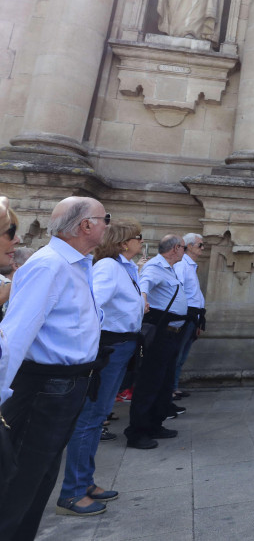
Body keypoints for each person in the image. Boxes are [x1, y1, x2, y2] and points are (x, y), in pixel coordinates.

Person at [0, 197, 108, 539]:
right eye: (104, 217)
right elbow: (15, 335)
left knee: (43, 474)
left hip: (68, 386)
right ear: (86, 226)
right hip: (45, 388)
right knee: (23, 477)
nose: (108, 223)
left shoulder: (78, 264)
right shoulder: (49, 265)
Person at [57, 219, 146, 516]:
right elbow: (94, 305)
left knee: (97, 416)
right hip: (112, 347)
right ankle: (72, 491)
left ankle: (85, 482)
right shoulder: (109, 267)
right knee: (91, 417)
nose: (141, 242)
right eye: (137, 237)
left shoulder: (123, 267)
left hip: (123, 346)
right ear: (124, 243)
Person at [126, 234, 188, 450]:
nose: (185, 250)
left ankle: (155, 424)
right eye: (183, 247)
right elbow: (145, 282)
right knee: (150, 382)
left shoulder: (170, 268)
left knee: (165, 381)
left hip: (173, 334)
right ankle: (137, 431)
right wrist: (142, 298)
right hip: (160, 334)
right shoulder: (155, 266)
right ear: (175, 249)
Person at [173, 233, 206, 399]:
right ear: (190, 246)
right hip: (186, 315)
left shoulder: (190, 266)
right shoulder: (182, 265)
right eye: (200, 245)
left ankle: (174, 387)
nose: (202, 248)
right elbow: (179, 290)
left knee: (182, 354)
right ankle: (170, 389)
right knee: (177, 354)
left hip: (193, 315)